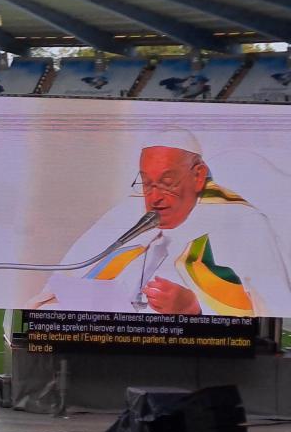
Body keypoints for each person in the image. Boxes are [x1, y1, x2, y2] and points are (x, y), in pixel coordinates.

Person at [27, 129, 291, 316]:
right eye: (147, 183)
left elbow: (273, 313)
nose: (154, 198)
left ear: (198, 176)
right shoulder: (128, 217)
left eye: (167, 183)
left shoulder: (241, 223)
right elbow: (60, 289)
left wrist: (195, 308)